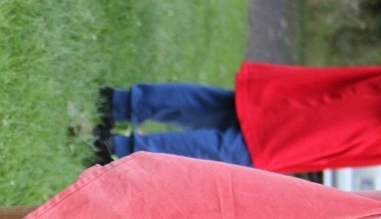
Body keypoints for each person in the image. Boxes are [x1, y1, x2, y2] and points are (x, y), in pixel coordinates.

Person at [93, 61, 381, 174]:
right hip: (354, 123)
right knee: (241, 149)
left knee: (231, 112)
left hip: (356, 106)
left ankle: (117, 105)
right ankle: (117, 150)